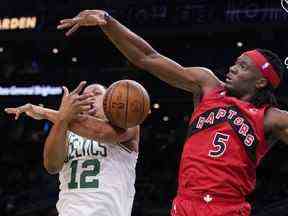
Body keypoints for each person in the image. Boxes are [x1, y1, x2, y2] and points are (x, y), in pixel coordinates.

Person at [55, 10, 288, 216]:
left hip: (227, 208)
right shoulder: (207, 85)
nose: (233, 68)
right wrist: (108, 22)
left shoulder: (271, 118)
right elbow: (147, 57)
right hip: (184, 204)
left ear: (260, 82)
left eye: (243, 66)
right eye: (236, 62)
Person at [5, 81, 140, 216]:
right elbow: (52, 166)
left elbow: (99, 132)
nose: (90, 97)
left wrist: (49, 113)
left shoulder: (128, 125)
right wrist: (62, 119)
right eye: (84, 95)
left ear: (111, 100)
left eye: (97, 93)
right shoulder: (65, 129)